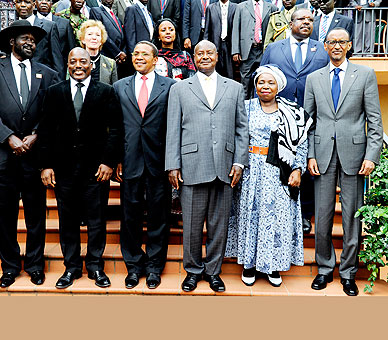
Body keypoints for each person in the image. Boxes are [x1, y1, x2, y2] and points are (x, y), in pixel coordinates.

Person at [0, 20, 58, 288]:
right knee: (4, 215)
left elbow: (51, 113)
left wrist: (36, 134)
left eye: (33, 40)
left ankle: (34, 265)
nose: (30, 43)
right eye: (25, 38)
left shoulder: (47, 73)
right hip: (2, 156)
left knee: (35, 215)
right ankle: (9, 266)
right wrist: (8, 137)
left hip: (34, 158)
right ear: (12, 42)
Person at [304, 28, 383, 296]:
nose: (336, 46)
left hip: (355, 156)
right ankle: (325, 269)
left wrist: (372, 156)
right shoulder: (314, 79)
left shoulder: (365, 75)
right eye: (331, 42)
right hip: (323, 155)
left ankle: (348, 272)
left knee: (351, 217)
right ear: (325, 47)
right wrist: (310, 154)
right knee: (323, 216)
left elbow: (374, 121)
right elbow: (309, 123)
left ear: (349, 45)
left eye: (341, 42)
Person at [165, 40, 249, 293]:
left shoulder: (234, 88)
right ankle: (192, 271)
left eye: (209, 53)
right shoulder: (180, 88)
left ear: (216, 56)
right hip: (191, 165)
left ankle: (213, 271)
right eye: (199, 53)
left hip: (224, 166)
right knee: (191, 225)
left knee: (218, 224)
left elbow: (241, 129)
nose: (204, 57)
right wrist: (173, 165)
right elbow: (173, 129)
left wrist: (239, 162)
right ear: (194, 57)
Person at [38, 47, 122, 289]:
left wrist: (108, 161)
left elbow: (115, 129)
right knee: (68, 221)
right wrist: (46, 165)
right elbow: (45, 131)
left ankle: (95, 266)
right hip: (63, 170)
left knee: (97, 220)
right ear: (67, 64)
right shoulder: (54, 92)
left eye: (83, 61)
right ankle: (71, 267)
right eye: (72, 61)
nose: (78, 65)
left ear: (91, 65)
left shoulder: (105, 92)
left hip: (96, 170)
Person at [226, 65, 312, 287]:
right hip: (250, 170)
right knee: (250, 215)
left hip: (280, 172)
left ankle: (273, 266)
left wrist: (298, 169)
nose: (265, 86)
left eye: (270, 82)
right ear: (255, 86)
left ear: (279, 86)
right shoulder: (245, 107)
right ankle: (249, 264)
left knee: (276, 218)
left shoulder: (292, 111)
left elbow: (301, 144)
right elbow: (234, 137)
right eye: (261, 82)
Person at [113, 41, 175, 290]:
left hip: (159, 161)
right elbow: (115, 126)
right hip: (129, 161)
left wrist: (173, 163)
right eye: (136, 53)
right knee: (130, 217)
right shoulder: (119, 86)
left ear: (155, 59)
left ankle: (153, 268)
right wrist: (116, 158)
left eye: (144, 54)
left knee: (159, 217)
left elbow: (174, 126)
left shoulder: (170, 87)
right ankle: (134, 266)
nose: (139, 57)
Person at [261, 8, 329, 234]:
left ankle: (304, 215)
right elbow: (263, 77)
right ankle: (278, 212)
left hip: (312, 117)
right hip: (279, 116)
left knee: (307, 168)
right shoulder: (273, 48)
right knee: (279, 164)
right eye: (301, 19)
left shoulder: (322, 49)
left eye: (310, 19)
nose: (307, 22)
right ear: (291, 23)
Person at [231, 0, 278, 98]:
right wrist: (236, 50)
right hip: (247, 50)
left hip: (263, 50)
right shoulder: (241, 7)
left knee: (262, 78)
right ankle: (244, 105)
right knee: (245, 80)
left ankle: (259, 104)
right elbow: (236, 29)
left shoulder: (272, 7)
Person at [14, 0, 64, 80]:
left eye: (27, 2)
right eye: (19, 2)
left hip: (43, 79)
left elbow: (56, 57)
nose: (22, 5)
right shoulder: (12, 28)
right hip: (19, 78)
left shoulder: (49, 26)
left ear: (34, 5)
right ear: (15, 4)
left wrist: (59, 83)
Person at [36, 0, 76, 75]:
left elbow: (71, 49)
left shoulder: (65, 23)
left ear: (52, 3)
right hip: (36, 71)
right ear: (35, 2)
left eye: (47, 0)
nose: (44, 2)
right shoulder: (31, 23)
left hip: (59, 71)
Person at [203, 0, 237, 79]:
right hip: (215, 44)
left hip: (230, 45)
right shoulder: (211, 8)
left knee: (230, 73)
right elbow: (207, 30)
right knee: (216, 72)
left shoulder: (236, 7)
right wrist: (206, 46)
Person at [77, 20, 119, 84]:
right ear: (83, 39)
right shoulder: (75, 62)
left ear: (101, 40)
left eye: (98, 35)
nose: (94, 37)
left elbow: (114, 89)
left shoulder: (110, 63)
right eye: (90, 34)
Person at [89, 0, 128, 64]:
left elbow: (123, 37)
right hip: (106, 57)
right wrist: (118, 53)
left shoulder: (116, 18)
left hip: (119, 60)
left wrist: (123, 53)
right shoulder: (96, 11)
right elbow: (101, 34)